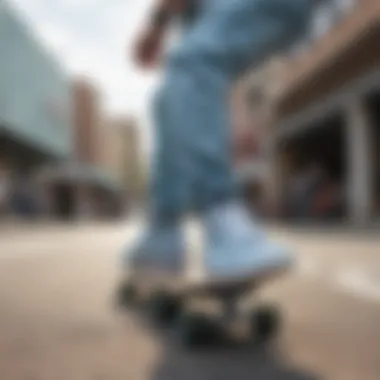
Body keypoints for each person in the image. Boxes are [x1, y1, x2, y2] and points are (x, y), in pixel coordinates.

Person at [125, 0, 318, 281]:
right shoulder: (198, 23)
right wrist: (238, 120)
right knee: (173, 92)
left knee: (188, 64)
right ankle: (163, 233)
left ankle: (223, 224)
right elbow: (217, 75)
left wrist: (156, 23)